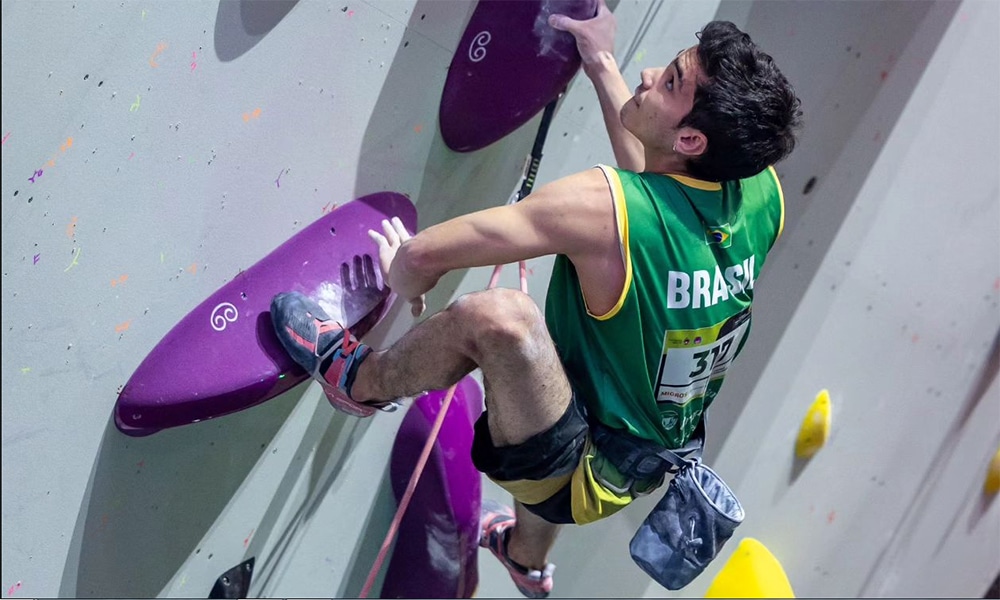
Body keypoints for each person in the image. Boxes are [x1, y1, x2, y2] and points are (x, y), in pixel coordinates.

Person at [270, 1, 801, 596]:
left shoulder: (602, 207)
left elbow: (423, 257)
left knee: (500, 319)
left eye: (670, 81)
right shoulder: (761, 194)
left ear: (692, 137)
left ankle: (356, 380)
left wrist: (405, 273)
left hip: (574, 466)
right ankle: (526, 560)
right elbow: (662, 195)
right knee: (576, 427)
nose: (650, 74)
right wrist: (601, 61)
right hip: (638, 456)